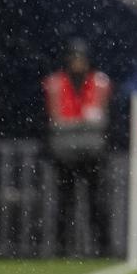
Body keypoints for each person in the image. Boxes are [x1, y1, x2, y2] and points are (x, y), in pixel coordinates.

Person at [42, 39, 112, 257]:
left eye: (80, 58)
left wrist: (75, 126)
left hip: (92, 153)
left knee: (96, 203)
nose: (77, 63)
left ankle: (101, 248)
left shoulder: (99, 82)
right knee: (65, 203)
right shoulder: (55, 83)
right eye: (74, 58)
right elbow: (54, 120)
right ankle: (62, 247)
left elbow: (102, 119)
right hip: (65, 154)